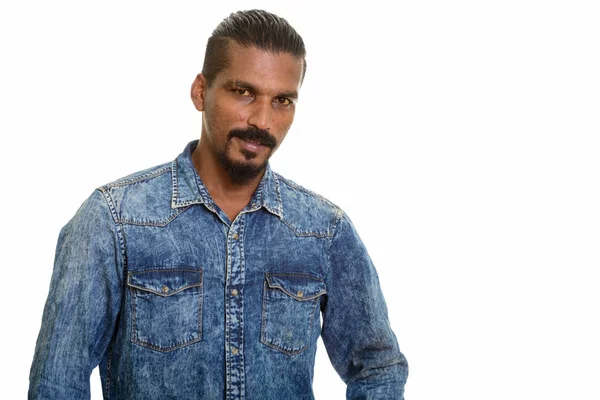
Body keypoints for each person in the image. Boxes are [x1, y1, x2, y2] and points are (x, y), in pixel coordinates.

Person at [28, 9, 408, 400]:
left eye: (282, 100)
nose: (263, 120)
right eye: (243, 92)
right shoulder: (114, 220)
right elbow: (57, 382)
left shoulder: (324, 231)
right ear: (200, 91)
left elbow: (378, 367)